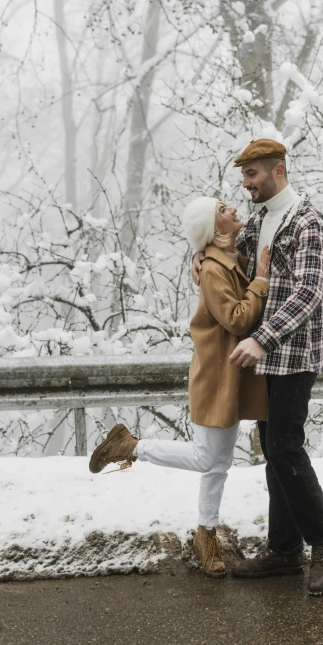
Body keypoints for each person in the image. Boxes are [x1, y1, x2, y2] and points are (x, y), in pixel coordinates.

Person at [89, 196, 271, 579]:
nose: (233, 209)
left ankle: (205, 534)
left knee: (219, 463)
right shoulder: (213, 271)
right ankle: (130, 446)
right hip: (215, 375)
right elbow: (237, 320)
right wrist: (261, 283)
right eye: (223, 210)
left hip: (232, 374)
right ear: (213, 228)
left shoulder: (226, 257)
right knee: (208, 458)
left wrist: (206, 255)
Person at [192, 138, 323, 596]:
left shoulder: (309, 222)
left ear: (278, 170)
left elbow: (308, 293)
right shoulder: (258, 219)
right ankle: (283, 549)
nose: (246, 184)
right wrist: (197, 257)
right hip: (266, 356)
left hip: (294, 353)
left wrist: (262, 338)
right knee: (271, 446)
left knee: (284, 446)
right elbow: (223, 254)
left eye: (253, 175)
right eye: (243, 176)